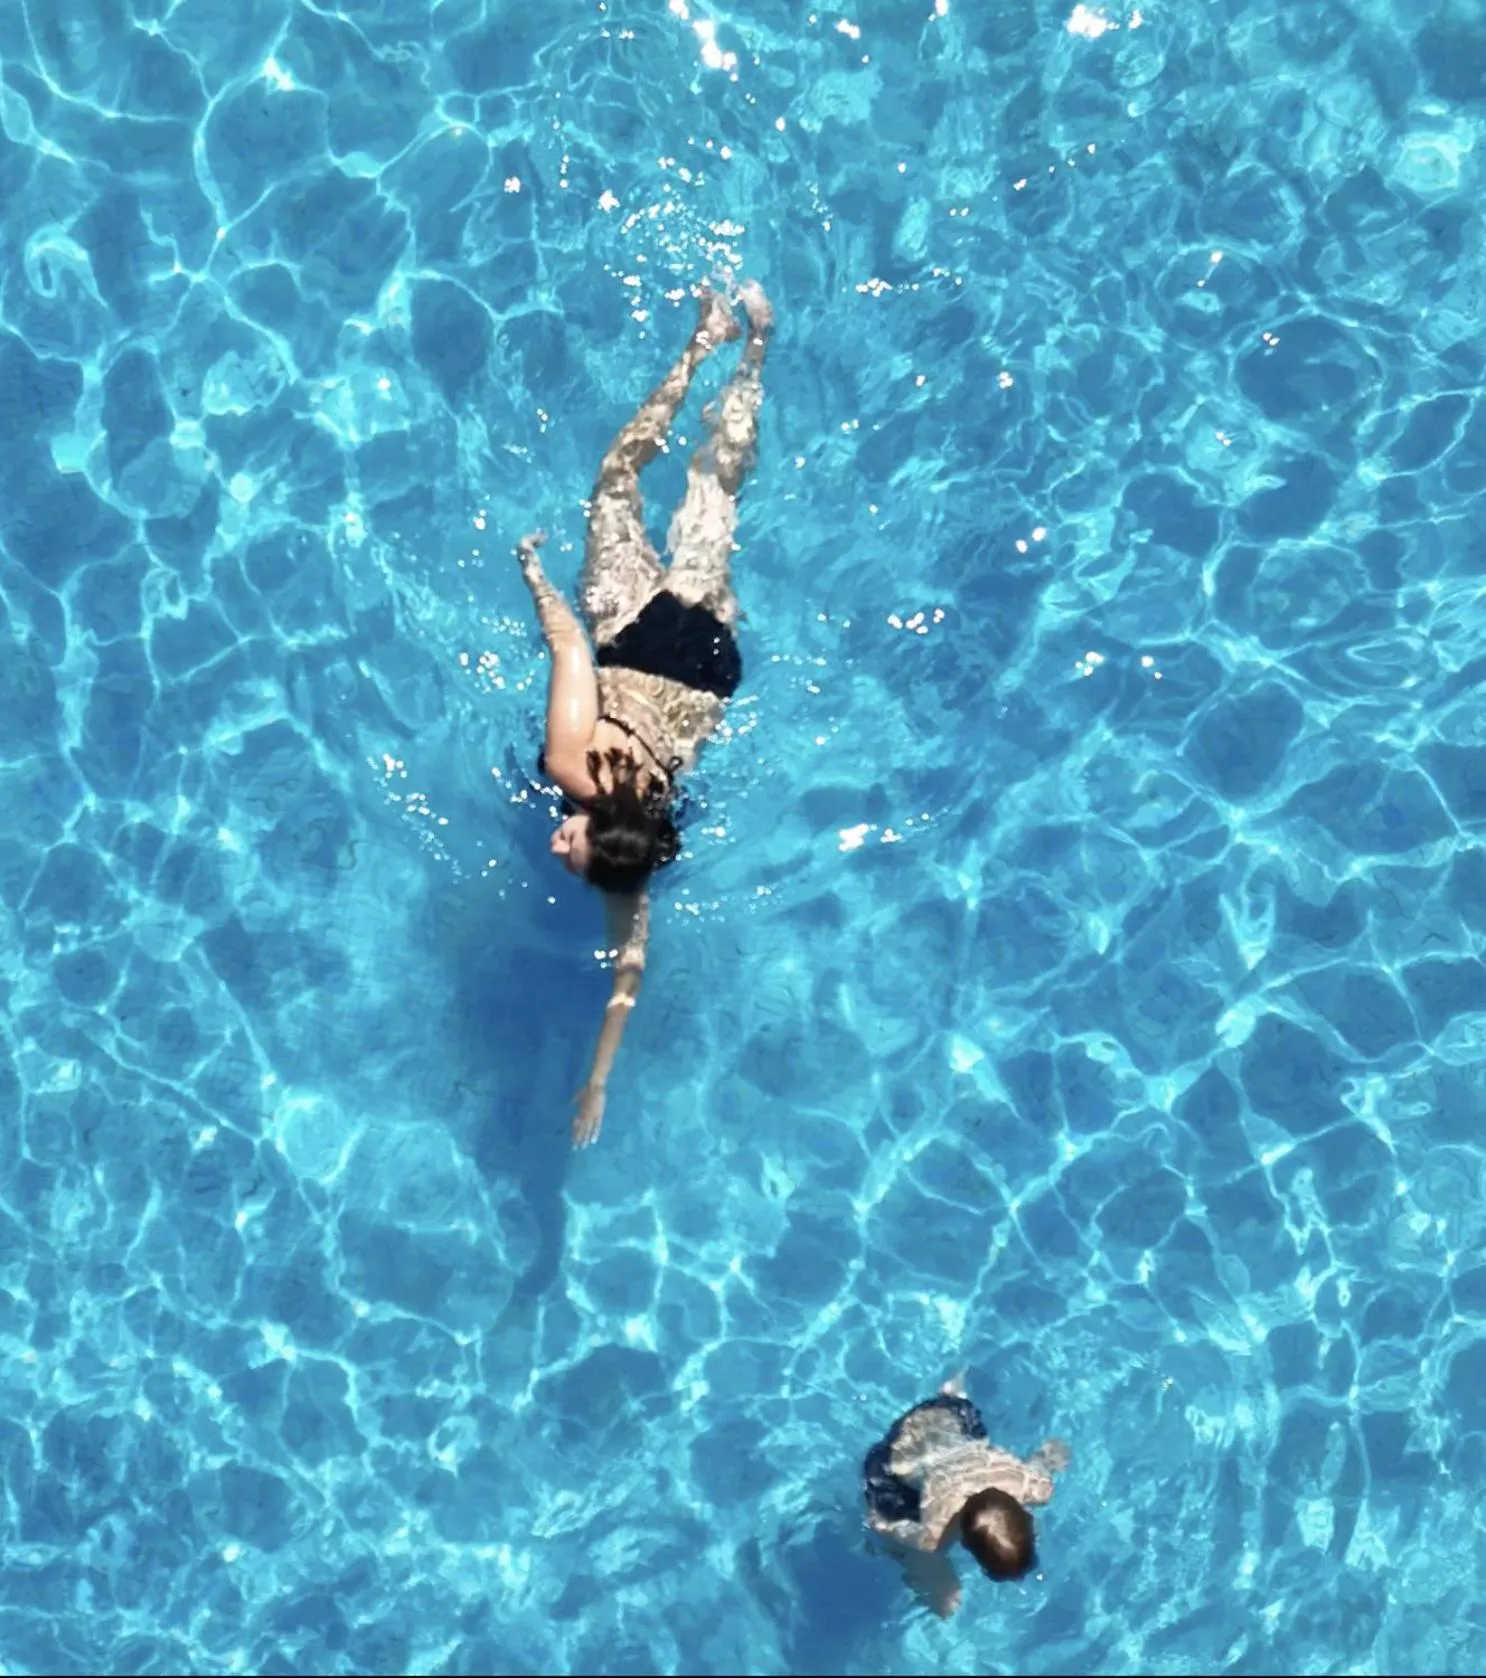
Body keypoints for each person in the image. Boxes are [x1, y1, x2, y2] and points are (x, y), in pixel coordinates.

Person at [515, 281, 773, 1149]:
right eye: (571, 846)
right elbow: (572, 653)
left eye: (569, 848)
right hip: (641, 646)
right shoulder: (569, 767)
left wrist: (595, 1083)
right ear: (603, 832)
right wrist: (537, 583)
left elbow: (631, 972)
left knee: (713, 496)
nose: (559, 844)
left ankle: (743, 346)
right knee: (617, 480)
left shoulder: (640, 858)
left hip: (706, 678)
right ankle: (719, 344)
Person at [863, 1374, 1070, 1618]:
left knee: (965, 1421)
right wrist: (878, 1524)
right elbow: (887, 1527)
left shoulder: (1032, 1488)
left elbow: (1053, 1451)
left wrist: (1051, 1457)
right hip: (894, 1461)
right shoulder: (934, 1538)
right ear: (964, 1544)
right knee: (931, 1575)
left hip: (948, 1417)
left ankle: (952, 1391)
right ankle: (951, 1390)